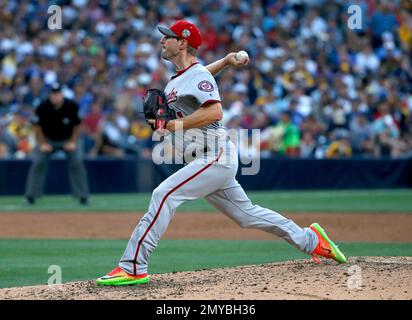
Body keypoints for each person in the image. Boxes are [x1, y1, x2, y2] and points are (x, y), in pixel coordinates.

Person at [96, 20, 347, 286]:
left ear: (182, 43)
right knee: (247, 215)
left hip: (213, 156)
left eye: (167, 37)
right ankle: (311, 239)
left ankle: (133, 266)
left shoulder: (197, 76)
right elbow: (201, 74)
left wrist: (172, 125)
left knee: (164, 194)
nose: (161, 40)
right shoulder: (183, 78)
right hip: (206, 159)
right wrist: (226, 62)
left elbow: (215, 111)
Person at [25, 83, 89, 205]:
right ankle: (31, 196)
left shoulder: (71, 106)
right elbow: (37, 128)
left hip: (68, 138)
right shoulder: (43, 106)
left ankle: (83, 196)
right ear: (50, 95)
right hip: (48, 139)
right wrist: (43, 143)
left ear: (62, 94)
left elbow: (77, 126)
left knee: (77, 161)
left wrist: (72, 142)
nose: (55, 96)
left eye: (57, 93)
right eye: (53, 94)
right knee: (38, 162)